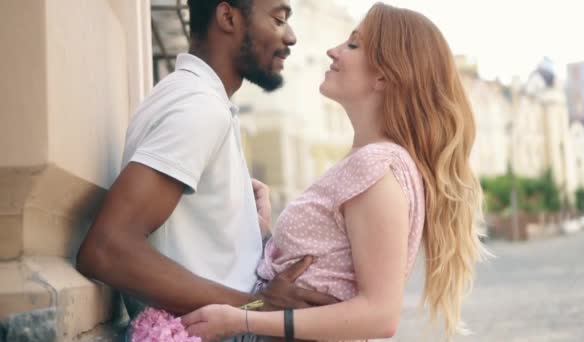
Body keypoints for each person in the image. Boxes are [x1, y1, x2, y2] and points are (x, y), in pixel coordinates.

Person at [181, 3, 487, 341]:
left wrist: (242, 320)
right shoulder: (372, 163)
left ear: (384, 76)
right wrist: (266, 235)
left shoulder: (377, 168)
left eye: (353, 45)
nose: (333, 51)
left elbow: (380, 315)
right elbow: (327, 269)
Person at [75, 0, 337, 336]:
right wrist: (256, 307)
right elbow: (106, 249)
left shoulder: (200, 100)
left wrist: (242, 225)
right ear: (228, 17)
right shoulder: (198, 107)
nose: (291, 37)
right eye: (278, 19)